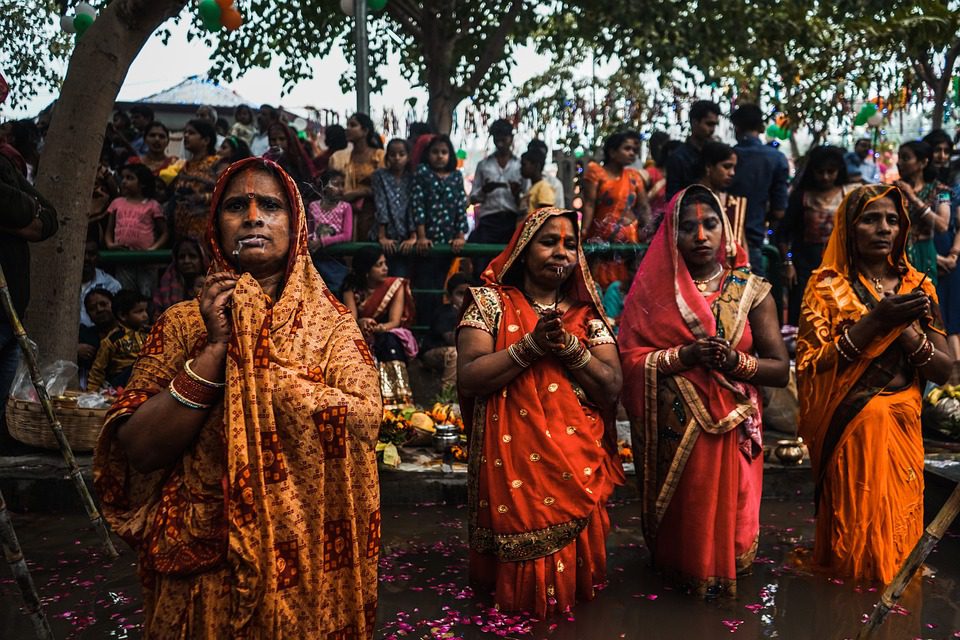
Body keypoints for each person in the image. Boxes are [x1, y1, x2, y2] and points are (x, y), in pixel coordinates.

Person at [93, 157, 381, 638]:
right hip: (203, 560)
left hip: (306, 563)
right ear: (216, 226)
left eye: (269, 204)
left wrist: (260, 368)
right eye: (235, 206)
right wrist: (219, 349)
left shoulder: (332, 329)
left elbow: (364, 421)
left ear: (297, 225)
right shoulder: (182, 324)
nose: (252, 216)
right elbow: (139, 450)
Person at [619, 185, 789, 598]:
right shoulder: (652, 293)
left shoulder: (752, 290)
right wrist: (687, 355)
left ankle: (721, 582)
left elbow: (780, 369)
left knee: (733, 517)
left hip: (733, 426)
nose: (700, 236)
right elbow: (628, 360)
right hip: (676, 431)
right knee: (685, 521)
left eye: (710, 225)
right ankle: (681, 582)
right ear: (670, 236)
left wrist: (735, 364)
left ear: (726, 231)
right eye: (688, 227)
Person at [457, 207, 624, 617]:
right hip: (515, 460)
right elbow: (470, 377)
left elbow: (611, 387)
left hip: (576, 457)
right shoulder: (490, 302)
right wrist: (529, 347)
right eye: (548, 241)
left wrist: (569, 346)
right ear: (522, 249)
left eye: (570, 244)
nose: (560, 252)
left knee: (576, 594)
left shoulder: (586, 315)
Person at [796, 184, 952, 583]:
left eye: (892, 220)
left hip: (903, 421)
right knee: (854, 533)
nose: (883, 228)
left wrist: (906, 333)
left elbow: (943, 369)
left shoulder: (919, 286)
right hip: (851, 428)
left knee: (899, 524)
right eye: (870, 219)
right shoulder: (826, 287)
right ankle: (848, 604)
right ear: (849, 227)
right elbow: (812, 364)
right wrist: (874, 323)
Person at [0, 141, 58, 449]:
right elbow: (22, 209)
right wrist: (23, 214)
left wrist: (18, 218)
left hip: (11, 315)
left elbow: (47, 218)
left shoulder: (6, 157)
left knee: (4, 415)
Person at [778, 146, 850, 326]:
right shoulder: (801, 197)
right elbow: (782, 233)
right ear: (812, 172)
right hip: (804, 265)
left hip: (839, 265)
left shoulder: (848, 195)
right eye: (820, 172)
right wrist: (788, 262)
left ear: (838, 171)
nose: (825, 177)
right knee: (804, 315)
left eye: (830, 172)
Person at [343, 246, 417, 406]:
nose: (385, 268)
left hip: (387, 333)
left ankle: (398, 399)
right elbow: (351, 319)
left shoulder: (395, 285)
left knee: (389, 341)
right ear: (366, 270)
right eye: (379, 265)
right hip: (361, 332)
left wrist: (379, 328)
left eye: (385, 263)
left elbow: (395, 321)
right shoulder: (351, 287)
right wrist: (362, 322)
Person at [581, 130, 650, 289]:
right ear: (612, 152)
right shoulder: (596, 172)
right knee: (597, 282)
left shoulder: (634, 176)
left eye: (634, 150)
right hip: (600, 238)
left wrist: (648, 232)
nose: (632, 153)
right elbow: (589, 204)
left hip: (628, 240)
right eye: (627, 149)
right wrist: (583, 232)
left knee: (624, 284)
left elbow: (644, 206)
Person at [728, 103, 790, 276]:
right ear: (761, 127)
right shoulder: (776, 158)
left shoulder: (725, 157)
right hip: (753, 239)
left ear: (736, 127)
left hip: (720, 239)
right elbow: (779, 211)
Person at [410, 134, 468, 310]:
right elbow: (417, 204)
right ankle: (424, 330)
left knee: (443, 284)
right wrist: (421, 236)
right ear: (428, 154)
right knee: (426, 285)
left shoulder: (456, 176)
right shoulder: (423, 172)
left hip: (449, 240)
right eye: (435, 152)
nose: (440, 156)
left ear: (450, 155)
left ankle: (438, 328)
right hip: (427, 240)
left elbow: (460, 206)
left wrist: (460, 236)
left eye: (444, 152)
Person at [104, 162, 168, 295]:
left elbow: (164, 232)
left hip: (146, 261)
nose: (124, 182)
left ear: (142, 183)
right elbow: (109, 229)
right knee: (126, 293)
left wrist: (153, 249)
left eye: (130, 178)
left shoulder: (152, 205)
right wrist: (110, 244)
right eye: (123, 178)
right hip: (123, 257)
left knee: (147, 293)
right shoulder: (117, 203)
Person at [895, 140, 951, 286]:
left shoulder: (941, 191)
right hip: (896, 253)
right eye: (899, 157)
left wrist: (913, 198)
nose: (899, 163)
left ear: (923, 162)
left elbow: (942, 226)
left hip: (924, 252)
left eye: (905, 158)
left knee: (925, 299)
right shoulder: (893, 190)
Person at [924, 130, 960, 355]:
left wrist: (954, 254)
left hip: (951, 252)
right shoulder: (913, 186)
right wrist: (933, 257)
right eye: (937, 150)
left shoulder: (952, 184)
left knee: (954, 314)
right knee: (933, 315)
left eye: (946, 151)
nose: (942, 155)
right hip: (924, 252)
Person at [468, 119, 523, 250]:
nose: (500, 139)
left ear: (511, 137)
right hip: (489, 222)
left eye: (504, 135)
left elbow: (527, 199)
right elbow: (473, 198)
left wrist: (516, 195)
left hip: (513, 221)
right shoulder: (483, 165)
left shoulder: (521, 166)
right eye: (496, 135)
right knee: (486, 262)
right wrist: (485, 190)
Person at [330, 112, 385, 242]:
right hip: (343, 214)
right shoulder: (338, 157)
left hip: (374, 213)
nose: (347, 128)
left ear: (365, 131)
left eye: (353, 125)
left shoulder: (380, 156)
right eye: (347, 125)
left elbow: (386, 187)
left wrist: (359, 192)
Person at [86, 289, 151, 391]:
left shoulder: (148, 333)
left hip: (144, 379)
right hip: (121, 382)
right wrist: (90, 393)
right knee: (140, 364)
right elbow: (98, 370)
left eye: (145, 310)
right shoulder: (114, 339)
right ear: (122, 316)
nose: (145, 315)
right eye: (139, 312)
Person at [372, 138, 416, 278]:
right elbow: (381, 204)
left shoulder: (412, 178)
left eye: (401, 154)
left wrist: (413, 235)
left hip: (405, 237)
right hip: (385, 234)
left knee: (401, 278)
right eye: (392, 154)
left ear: (408, 157)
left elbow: (413, 206)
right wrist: (382, 236)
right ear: (387, 156)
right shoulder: (380, 175)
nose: (397, 158)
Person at [168, 119, 219, 243]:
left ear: (206, 140)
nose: (186, 136)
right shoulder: (185, 166)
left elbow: (226, 193)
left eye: (191, 133)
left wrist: (202, 197)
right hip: (182, 230)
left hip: (205, 231)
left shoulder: (216, 163)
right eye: (185, 132)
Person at [420, 273, 472, 390]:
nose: (464, 299)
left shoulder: (473, 312)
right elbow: (453, 340)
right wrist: (462, 316)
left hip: (459, 352)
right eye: (460, 294)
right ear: (449, 296)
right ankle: (446, 395)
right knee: (454, 353)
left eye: (467, 294)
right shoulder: (445, 313)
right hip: (432, 353)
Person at [307, 168, 353, 293]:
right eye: (336, 185)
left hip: (335, 259)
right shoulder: (313, 206)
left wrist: (322, 242)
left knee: (335, 291)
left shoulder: (345, 207)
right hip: (316, 258)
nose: (341, 189)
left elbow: (346, 235)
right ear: (324, 187)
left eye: (342, 185)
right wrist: (310, 242)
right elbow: (310, 232)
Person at [665, 100, 721, 199]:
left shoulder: (715, 154)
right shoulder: (678, 157)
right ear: (694, 122)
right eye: (709, 124)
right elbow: (672, 198)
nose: (712, 130)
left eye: (714, 125)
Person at [695, 141, 747, 246]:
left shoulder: (731, 203)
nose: (732, 173)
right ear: (708, 167)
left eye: (734, 168)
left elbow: (741, 244)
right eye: (727, 167)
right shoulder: (690, 200)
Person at [153, 237, 209, 315]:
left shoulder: (212, 281)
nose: (187, 261)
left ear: (201, 259)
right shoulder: (167, 284)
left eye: (192, 256)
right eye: (182, 257)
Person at [80, 231, 122, 328]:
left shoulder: (111, 285)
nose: (86, 258)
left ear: (97, 256)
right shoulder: (61, 284)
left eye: (91, 254)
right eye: (82, 253)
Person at [78, 287, 117, 386]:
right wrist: (75, 350)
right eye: (92, 308)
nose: (99, 310)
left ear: (113, 304)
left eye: (103, 304)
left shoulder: (129, 332)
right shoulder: (86, 336)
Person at [266, 122, 315, 190]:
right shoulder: (266, 159)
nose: (277, 143)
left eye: (282, 139)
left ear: (289, 140)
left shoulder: (298, 159)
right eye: (273, 140)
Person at [518, 149, 556, 222]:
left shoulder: (544, 187)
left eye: (524, 164)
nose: (521, 168)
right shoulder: (532, 187)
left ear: (536, 166)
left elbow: (545, 217)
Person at [527, 139, 565, 208]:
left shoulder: (554, 184)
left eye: (541, 155)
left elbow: (558, 209)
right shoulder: (522, 180)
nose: (537, 158)